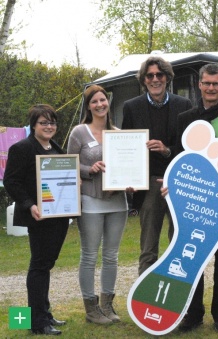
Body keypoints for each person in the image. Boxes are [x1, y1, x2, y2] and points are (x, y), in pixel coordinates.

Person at [176, 63, 218, 333]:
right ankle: (193, 314)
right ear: (200, 85)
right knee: (193, 258)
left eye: (216, 83)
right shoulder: (185, 118)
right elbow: (180, 158)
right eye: (207, 83)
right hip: (192, 200)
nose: (211, 88)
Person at [121, 56, 192, 275]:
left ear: (167, 77)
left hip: (177, 182)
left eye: (159, 75)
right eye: (149, 75)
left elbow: (190, 150)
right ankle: (145, 299)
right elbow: (125, 148)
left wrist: (167, 150)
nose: (155, 79)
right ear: (143, 80)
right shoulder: (131, 107)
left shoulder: (184, 105)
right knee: (148, 248)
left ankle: (175, 297)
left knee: (178, 243)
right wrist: (128, 179)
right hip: (148, 183)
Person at [4, 104, 69, 336]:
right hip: (38, 216)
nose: (49, 126)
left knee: (46, 265)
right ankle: (37, 322)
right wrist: (29, 204)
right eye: (44, 122)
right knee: (40, 266)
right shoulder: (21, 148)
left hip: (59, 216)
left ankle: (44, 313)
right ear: (33, 125)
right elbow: (11, 181)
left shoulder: (56, 148)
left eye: (52, 122)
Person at [67, 85, 128, 324]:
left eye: (103, 100)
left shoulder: (118, 132)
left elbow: (127, 166)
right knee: (90, 255)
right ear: (88, 106)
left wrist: (133, 180)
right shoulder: (79, 132)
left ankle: (107, 306)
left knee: (112, 256)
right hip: (90, 199)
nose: (100, 104)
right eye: (95, 101)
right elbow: (68, 165)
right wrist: (88, 169)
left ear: (108, 102)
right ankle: (91, 309)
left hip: (117, 201)